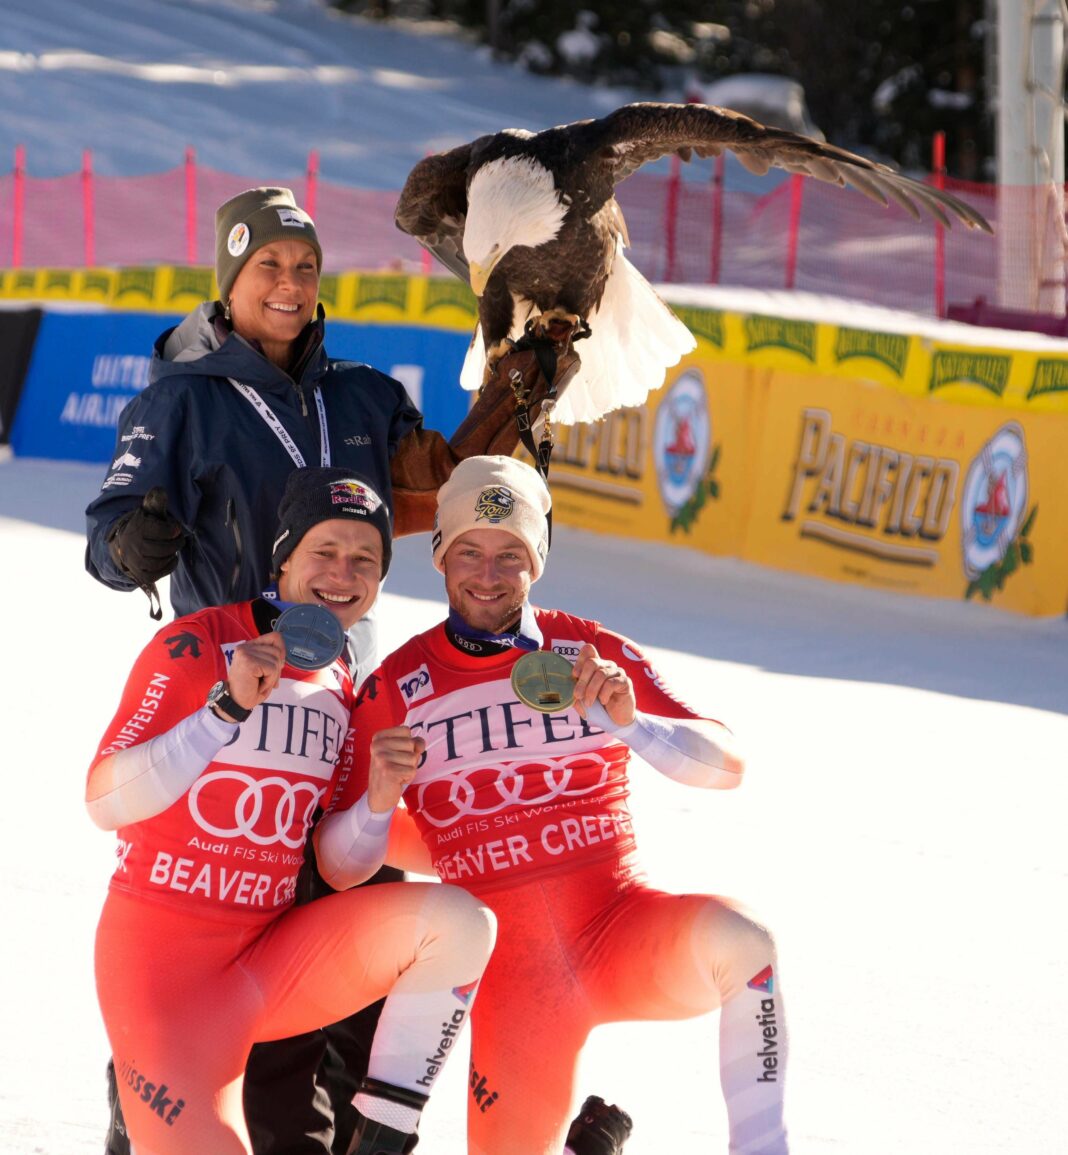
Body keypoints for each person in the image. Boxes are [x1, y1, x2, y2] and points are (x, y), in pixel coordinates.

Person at [83, 186, 574, 1154]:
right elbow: (107, 543)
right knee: (222, 928)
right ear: (230, 279)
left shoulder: (362, 393)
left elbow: (436, 491)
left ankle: (354, 1135)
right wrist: (135, 544)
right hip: (231, 696)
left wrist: (511, 400)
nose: (290, 284)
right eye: (269, 266)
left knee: (358, 907)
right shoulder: (180, 401)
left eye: (304, 268)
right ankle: (152, 1114)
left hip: (347, 691)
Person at [334, 455, 790, 1155]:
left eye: (510, 554)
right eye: (469, 552)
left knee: (746, 942)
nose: (488, 573)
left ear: (537, 559)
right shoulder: (395, 684)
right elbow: (338, 853)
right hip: (514, 983)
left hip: (620, 931)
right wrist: (384, 806)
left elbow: (726, 763)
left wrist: (634, 725)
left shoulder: (590, 649)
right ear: (439, 556)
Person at [87, 466, 496, 1155]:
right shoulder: (198, 643)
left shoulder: (342, 682)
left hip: (266, 965)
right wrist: (225, 710)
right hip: (162, 977)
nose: (343, 573)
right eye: (325, 552)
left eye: (365, 559)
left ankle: (383, 1138)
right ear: (284, 558)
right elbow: (103, 798)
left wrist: (376, 803)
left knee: (461, 924)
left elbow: (338, 867)